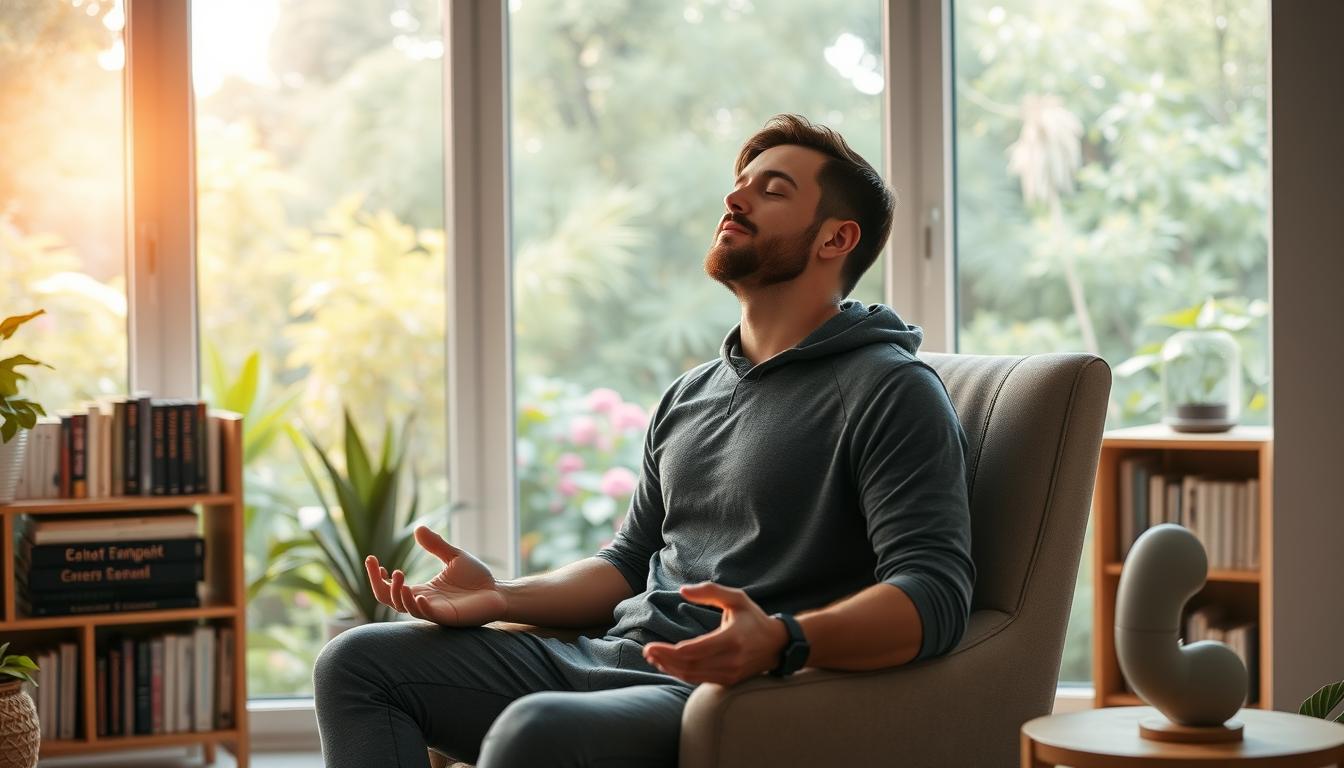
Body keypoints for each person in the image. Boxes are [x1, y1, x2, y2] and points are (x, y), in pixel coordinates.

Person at [313, 114, 975, 768]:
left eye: (772, 190)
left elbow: (935, 593)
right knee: (358, 660)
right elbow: (627, 563)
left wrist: (780, 639)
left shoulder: (891, 390)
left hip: (728, 694)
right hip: (608, 658)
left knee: (537, 730)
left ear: (836, 239)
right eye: (739, 182)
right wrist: (502, 598)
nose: (734, 198)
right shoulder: (690, 394)